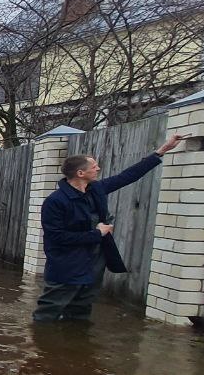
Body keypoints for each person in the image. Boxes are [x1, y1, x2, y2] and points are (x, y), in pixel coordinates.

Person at [33, 133, 187, 322]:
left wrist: (161, 151)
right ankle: (42, 349)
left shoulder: (96, 189)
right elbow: (56, 238)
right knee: (48, 312)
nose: (98, 168)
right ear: (80, 173)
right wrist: (96, 233)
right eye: (94, 166)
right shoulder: (55, 202)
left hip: (94, 262)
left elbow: (127, 176)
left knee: (81, 311)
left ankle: (75, 348)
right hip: (66, 265)